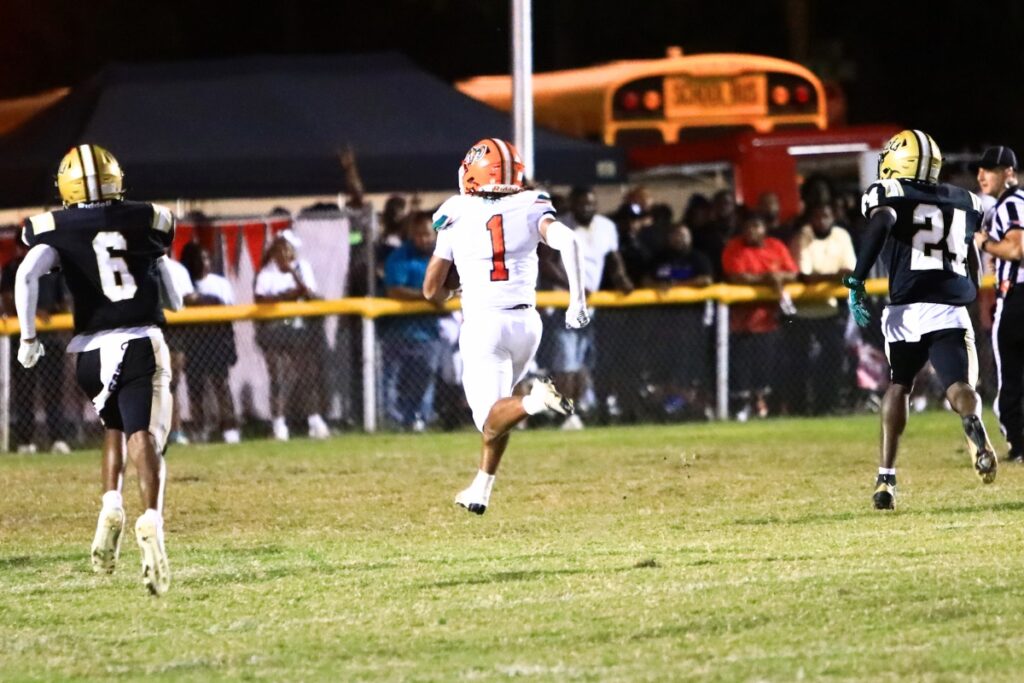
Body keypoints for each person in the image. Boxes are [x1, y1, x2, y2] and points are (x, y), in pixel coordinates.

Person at [15, 143, 184, 595]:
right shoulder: (147, 219)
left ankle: (111, 503)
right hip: (139, 340)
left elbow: (28, 273)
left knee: (114, 428)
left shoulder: (53, 226)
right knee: (144, 436)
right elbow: (173, 286)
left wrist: (28, 338)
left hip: (89, 352)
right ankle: (152, 520)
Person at [423, 138, 589, 515]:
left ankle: (537, 399)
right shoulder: (532, 202)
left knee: (491, 416)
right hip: (527, 324)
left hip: (484, 323)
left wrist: (453, 292)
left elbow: (431, 288)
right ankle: (481, 488)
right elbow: (569, 241)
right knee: (504, 409)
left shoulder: (456, 210)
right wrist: (577, 301)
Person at [845, 129, 996, 510]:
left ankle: (886, 478)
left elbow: (880, 224)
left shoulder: (888, 193)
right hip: (948, 305)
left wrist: (857, 278)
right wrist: (970, 288)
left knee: (899, 386)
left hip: (905, 310)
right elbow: (971, 253)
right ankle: (972, 421)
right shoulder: (966, 200)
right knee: (960, 387)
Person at [540, 185, 630, 429]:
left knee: (583, 365)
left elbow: (613, 257)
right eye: (581, 204)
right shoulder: (559, 226)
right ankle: (563, 415)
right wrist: (572, 285)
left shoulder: (606, 227)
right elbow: (545, 263)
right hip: (565, 305)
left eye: (591, 204)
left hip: (592, 306)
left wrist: (621, 277)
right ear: (572, 204)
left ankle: (575, 412)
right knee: (565, 364)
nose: (586, 208)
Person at [971, 146, 1024, 462]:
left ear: (1008, 172)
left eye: (989, 169)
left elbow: (1017, 249)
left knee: (1010, 377)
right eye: (980, 169)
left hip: (1017, 297)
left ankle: (1019, 443)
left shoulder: (1009, 205)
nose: (981, 175)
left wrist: (984, 242)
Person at [721, 210, 798, 419]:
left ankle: (766, 407)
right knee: (743, 368)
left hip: (770, 319)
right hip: (742, 320)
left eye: (756, 226)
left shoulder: (776, 246)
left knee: (767, 366)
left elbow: (792, 272)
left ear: (764, 229)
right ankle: (742, 407)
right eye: (748, 227)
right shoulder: (735, 247)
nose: (752, 231)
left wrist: (778, 276)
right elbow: (737, 277)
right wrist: (768, 278)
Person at [253, 233, 330, 441]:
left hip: (298, 328)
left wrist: (294, 276)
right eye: (280, 250)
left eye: (288, 250)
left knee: (308, 376)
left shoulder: (301, 269)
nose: (285, 255)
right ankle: (279, 424)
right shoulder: (265, 274)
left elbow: (307, 293)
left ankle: (315, 421)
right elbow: (261, 299)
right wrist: (288, 295)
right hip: (274, 330)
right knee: (278, 378)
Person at [1, 241, 73, 453]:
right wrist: (31, 315)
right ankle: (25, 441)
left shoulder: (52, 267)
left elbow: (64, 302)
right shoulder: (12, 268)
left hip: (50, 338)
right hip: (22, 339)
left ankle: (58, 439)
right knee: (24, 390)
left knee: (54, 390)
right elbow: (6, 298)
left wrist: (51, 313)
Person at [786, 202, 857, 414]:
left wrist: (829, 276)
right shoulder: (804, 236)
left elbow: (850, 271)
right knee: (800, 362)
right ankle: (799, 409)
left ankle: (828, 406)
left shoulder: (841, 235)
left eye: (826, 216)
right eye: (818, 216)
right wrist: (835, 276)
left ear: (833, 217)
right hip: (802, 311)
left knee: (834, 358)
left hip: (831, 310)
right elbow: (806, 276)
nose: (822, 221)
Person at [381, 211, 443, 430]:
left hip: (428, 332)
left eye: (427, 234)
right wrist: (425, 295)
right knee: (394, 381)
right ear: (411, 235)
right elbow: (394, 291)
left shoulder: (441, 255)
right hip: (398, 332)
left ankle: (418, 419)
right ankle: (392, 422)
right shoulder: (399, 257)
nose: (423, 239)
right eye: (418, 235)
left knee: (425, 377)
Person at [178, 242, 241, 443]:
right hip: (193, 340)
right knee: (195, 387)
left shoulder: (219, 283)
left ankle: (229, 426)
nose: (204, 263)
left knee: (221, 384)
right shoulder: (185, 282)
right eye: (199, 259)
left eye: (206, 258)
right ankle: (199, 427)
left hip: (216, 338)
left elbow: (228, 310)